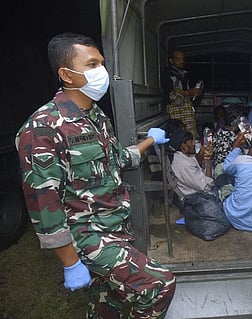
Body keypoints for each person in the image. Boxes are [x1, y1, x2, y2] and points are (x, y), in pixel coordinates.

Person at [15, 33, 176, 318]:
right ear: (66, 74)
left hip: (115, 227)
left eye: (101, 63)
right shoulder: (43, 128)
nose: (101, 71)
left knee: (107, 303)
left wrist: (149, 140)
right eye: (91, 64)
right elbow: (43, 203)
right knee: (159, 285)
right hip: (87, 237)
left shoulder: (96, 117)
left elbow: (115, 160)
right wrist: (69, 261)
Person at [161, 49, 202, 139]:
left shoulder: (184, 74)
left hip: (186, 108)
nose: (181, 61)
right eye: (178, 59)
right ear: (171, 61)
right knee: (180, 135)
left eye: (182, 59)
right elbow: (171, 93)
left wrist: (195, 93)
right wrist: (188, 93)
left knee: (191, 134)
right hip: (176, 109)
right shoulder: (168, 74)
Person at [170, 129, 215, 200]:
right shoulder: (184, 164)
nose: (193, 144)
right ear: (183, 145)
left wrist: (202, 152)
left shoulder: (180, 156)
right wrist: (207, 159)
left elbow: (194, 161)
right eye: (191, 142)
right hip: (199, 198)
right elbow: (207, 187)